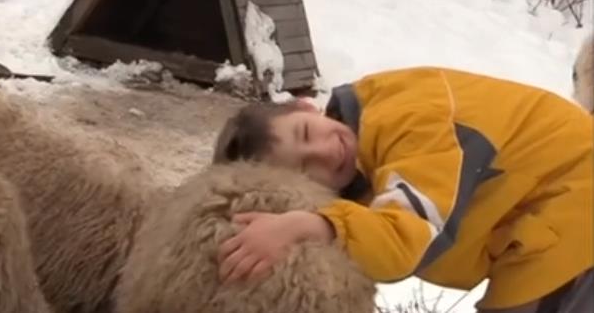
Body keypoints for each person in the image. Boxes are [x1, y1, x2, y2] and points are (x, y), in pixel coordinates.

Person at [212, 66, 593, 313]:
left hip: (575, 199)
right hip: (545, 219)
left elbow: (404, 238)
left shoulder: (410, 120)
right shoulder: (359, 165)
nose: (327, 152)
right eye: (305, 167)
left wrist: (314, 226)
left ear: (306, 106)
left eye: (307, 134)